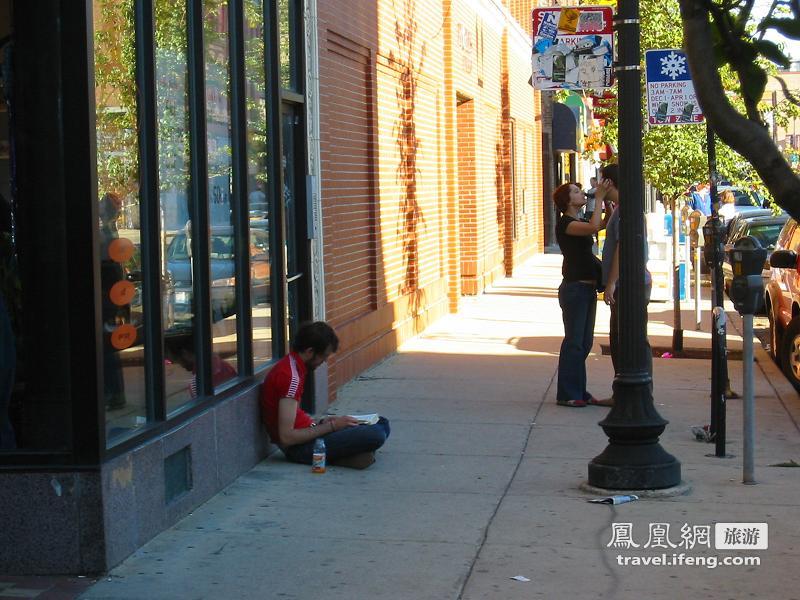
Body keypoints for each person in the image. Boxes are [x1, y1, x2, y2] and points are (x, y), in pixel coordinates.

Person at [261, 321, 390, 468]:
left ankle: (347, 455)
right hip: (299, 448)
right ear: (310, 352)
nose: (324, 362)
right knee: (375, 434)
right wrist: (333, 426)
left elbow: (295, 417)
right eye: (324, 357)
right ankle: (340, 457)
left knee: (381, 422)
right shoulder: (290, 377)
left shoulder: (293, 366)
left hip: (310, 434)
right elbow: (286, 437)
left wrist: (323, 422)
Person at [553, 181, 610, 407]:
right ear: (568, 201)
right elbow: (595, 227)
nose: (581, 193)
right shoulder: (566, 223)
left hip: (587, 288)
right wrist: (600, 197)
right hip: (574, 288)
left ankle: (579, 390)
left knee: (585, 342)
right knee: (574, 342)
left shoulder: (579, 221)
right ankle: (567, 394)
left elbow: (603, 223)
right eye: (575, 192)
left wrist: (605, 201)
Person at [600, 164, 653, 398]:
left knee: (625, 340)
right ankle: (628, 393)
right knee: (626, 338)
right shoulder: (623, 208)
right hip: (633, 283)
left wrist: (611, 283)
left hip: (628, 285)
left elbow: (622, 247)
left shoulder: (625, 210)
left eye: (601, 180)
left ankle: (630, 394)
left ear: (608, 182)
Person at [164, 332, 238, 398]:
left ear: (185, 354)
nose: (174, 362)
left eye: (175, 359)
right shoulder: (223, 366)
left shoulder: (198, 383)